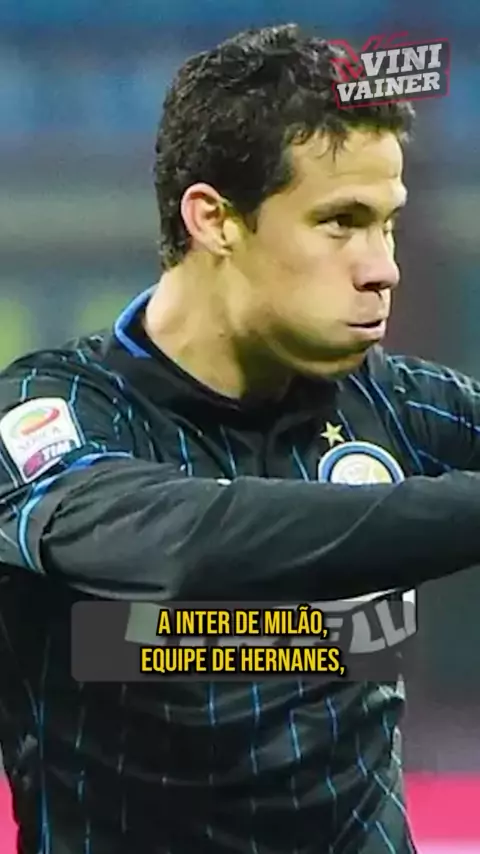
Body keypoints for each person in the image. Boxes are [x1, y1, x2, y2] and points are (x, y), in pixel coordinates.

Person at [0, 22, 479, 854]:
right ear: (214, 218)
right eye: (341, 221)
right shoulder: (56, 410)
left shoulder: (401, 405)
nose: (383, 267)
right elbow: (179, 548)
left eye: (388, 224)